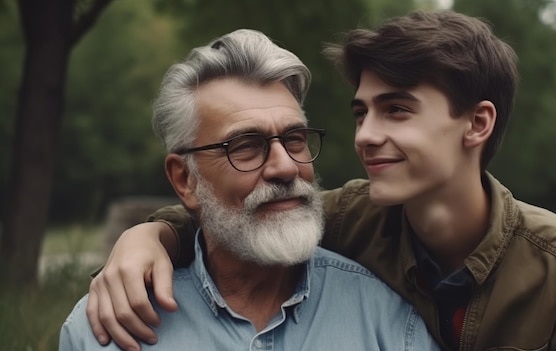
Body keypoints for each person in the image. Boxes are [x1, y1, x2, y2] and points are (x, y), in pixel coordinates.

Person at [87, 10, 556, 351]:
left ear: (477, 123)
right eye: (360, 113)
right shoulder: (349, 217)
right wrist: (146, 238)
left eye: (396, 111)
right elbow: (241, 205)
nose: (365, 136)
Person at [59, 29, 440, 351]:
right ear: (184, 180)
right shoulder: (106, 331)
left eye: (294, 139)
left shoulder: (387, 324)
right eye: (245, 146)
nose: (286, 167)